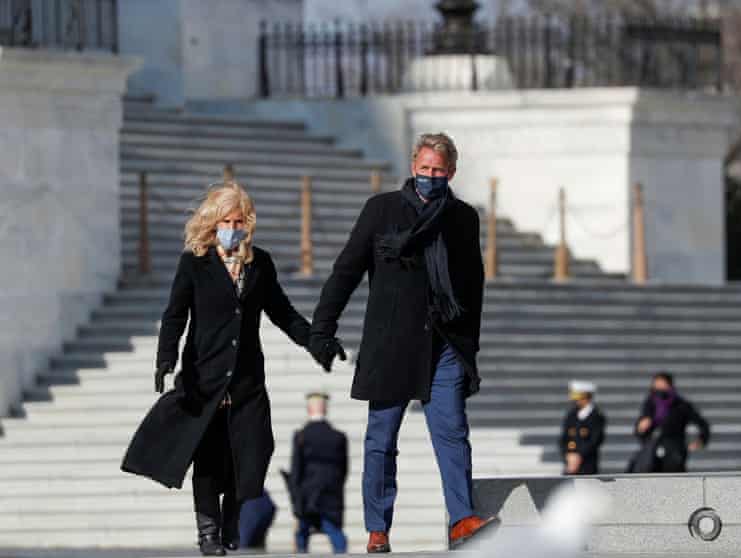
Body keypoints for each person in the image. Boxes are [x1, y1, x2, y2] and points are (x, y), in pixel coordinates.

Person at [306, 132, 497, 552]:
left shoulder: (462, 217)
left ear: (451, 172)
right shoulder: (382, 211)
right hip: (392, 343)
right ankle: (378, 528)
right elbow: (347, 270)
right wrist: (322, 327)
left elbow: (473, 286)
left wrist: (470, 351)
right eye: (425, 169)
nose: (431, 177)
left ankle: (462, 519)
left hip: (443, 343)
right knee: (381, 438)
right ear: (413, 166)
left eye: (439, 171)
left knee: (452, 431)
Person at [121, 182, 319, 556]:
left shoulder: (259, 263)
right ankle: (208, 534)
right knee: (210, 462)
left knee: (255, 453)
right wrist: (166, 357)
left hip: (246, 381)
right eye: (225, 220)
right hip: (205, 378)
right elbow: (175, 314)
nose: (233, 227)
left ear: (248, 223)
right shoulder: (194, 262)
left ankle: (231, 520)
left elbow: (282, 312)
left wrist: (315, 340)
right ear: (212, 225)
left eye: (239, 220)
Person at [285, 392, 349, 554]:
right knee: (335, 533)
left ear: (308, 409)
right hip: (331, 492)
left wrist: (295, 495)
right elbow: (343, 469)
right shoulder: (338, 437)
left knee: (302, 534)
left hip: (308, 494)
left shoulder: (301, 436)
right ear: (325, 410)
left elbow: (296, 469)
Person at [627, 372, 710, 473]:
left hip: (674, 453)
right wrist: (641, 428)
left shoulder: (681, 405)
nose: (659, 389)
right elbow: (639, 432)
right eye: (656, 386)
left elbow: (702, 424)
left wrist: (701, 440)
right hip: (651, 453)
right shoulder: (650, 404)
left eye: (662, 385)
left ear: (669, 385)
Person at [559, 381, 607, 475]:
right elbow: (563, 439)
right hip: (570, 464)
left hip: (587, 465)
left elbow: (595, 440)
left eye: (579, 398)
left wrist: (579, 455)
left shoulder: (596, 416)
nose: (576, 401)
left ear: (586, 397)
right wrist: (568, 455)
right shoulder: (571, 415)